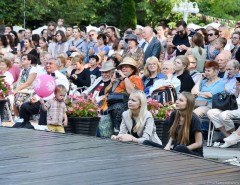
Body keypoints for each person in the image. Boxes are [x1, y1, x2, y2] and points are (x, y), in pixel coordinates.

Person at [18, 57, 69, 126]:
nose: (47, 65)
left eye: (50, 64)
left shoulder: (61, 77)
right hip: (41, 100)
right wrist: (36, 98)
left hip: (54, 103)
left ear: (57, 66)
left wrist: (54, 81)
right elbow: (40, 90)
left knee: (44, 107)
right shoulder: (43, 76)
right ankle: (25, 125)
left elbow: (63, 92)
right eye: (47, 63)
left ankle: (43, 129)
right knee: (25, 106)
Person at [105, 57, 144, 133]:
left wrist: (125, 78)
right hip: (112, 104)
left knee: (118, 107)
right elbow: (106, 92)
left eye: (127, 67)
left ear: (132, 69)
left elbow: (132, 92)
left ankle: (118, 131)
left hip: (128, 104)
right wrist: (111, 83)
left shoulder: (135, 78)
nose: (123, 68)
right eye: (122, 67)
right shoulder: (118, 80)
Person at [207, 60, 240, 141]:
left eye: (230, 69)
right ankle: (230, 136)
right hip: (226, 105)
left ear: (237, 69)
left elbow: (234, 95)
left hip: (236, 105)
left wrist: (227, 89)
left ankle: (234, 137)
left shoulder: (238, 79)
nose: (228, 71)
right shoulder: (225, 78)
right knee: (211, 112)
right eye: (227, 69)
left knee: (224, 115)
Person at [164, 92, 203, 157]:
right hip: (176, 151)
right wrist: (168, 145)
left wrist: (183, 149)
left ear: (188, 104)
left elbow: (199, 143)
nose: (177, 102)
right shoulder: (174, 114)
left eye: (181, 100)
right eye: (177, 99)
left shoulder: (194, 119)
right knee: (147, 142)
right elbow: (172, 135)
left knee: (180, 148)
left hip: (193, 154)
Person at [13, 54, 38, 121]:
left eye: (24, 59)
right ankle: (16, 116)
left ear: (29, 61)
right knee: (12, 95)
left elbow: (28, 83)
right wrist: (12, 87)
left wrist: (16, 90)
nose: (22, 60)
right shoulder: (22, 70)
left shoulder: (34, 70)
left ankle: (22, 117)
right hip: (23, 89)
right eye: (22, 59)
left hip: (31, 90)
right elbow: (18, 81)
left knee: (17, 96)